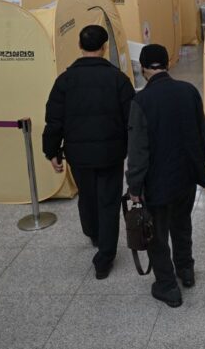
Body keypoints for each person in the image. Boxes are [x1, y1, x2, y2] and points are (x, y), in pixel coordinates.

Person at [42, 25, 134, 279]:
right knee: (108, 200)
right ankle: (105, 257)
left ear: (79, 47)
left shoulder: (65, 80)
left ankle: (93, 233)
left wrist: (52, 151)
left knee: (87, 195)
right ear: (104, 48)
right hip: (111, 154)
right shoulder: (118, 79)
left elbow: (54, 120)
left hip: (77, 154)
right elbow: (132, 121)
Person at [126, 44, 205, 308]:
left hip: (157, 183)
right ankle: (186, 271)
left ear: (142, 69)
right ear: (167, 65)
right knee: (182, 224)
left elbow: (138, 149)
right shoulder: (189, 91)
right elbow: (203, 138)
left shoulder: (141, 101)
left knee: (157, 235)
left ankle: (167, 286)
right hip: (186, 178)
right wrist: (199, 162)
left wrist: (134, 185)